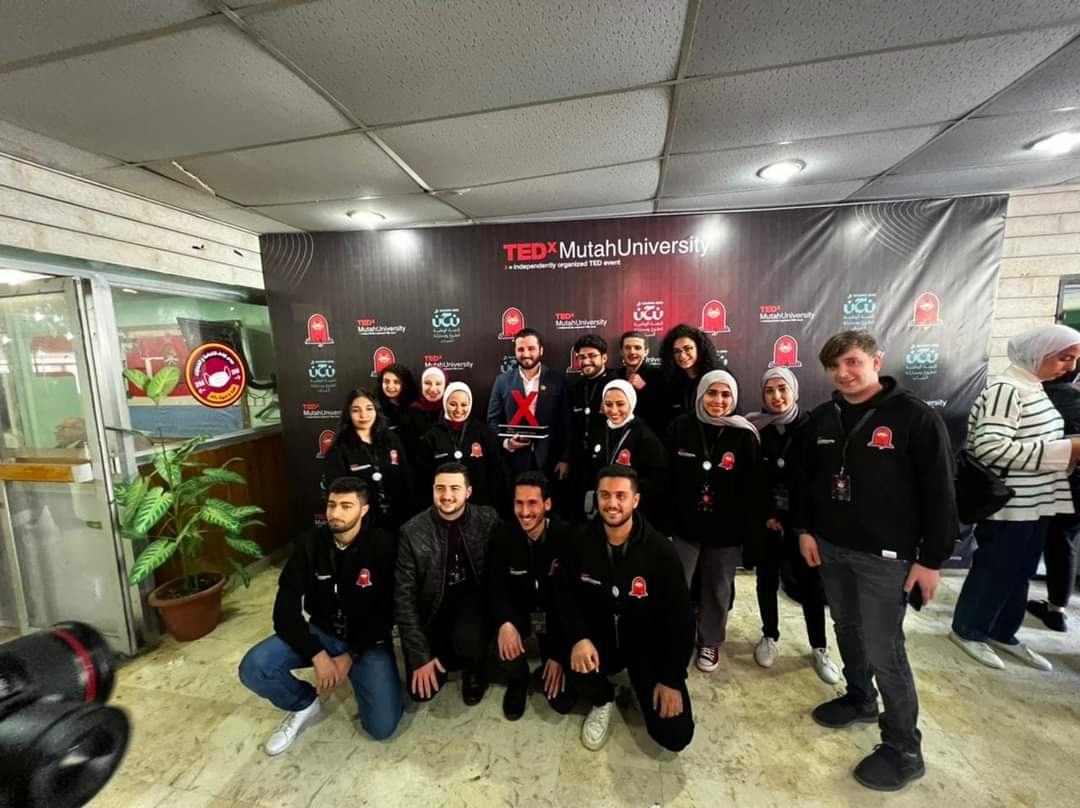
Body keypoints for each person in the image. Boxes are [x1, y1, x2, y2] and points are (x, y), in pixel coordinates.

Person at [796, 330, 956, 791]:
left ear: (875, 361)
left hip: (887, 557)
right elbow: (806, 481)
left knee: (886, 649)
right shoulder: (824, 417)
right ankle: (860, 697)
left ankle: (904, 747)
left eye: (852, 362)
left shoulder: (914, 416)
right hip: (831, 546)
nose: (843, 373)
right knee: (846, 627)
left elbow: (940, 492)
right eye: (834, 366)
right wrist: (805, 530)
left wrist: (931, 560)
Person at [238, 477, 403, 753]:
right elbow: (284, 612)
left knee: (381, 727)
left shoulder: (382, 544)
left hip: (366, 642)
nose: (336, 513)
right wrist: (317, 654)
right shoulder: (309, 544)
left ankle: (376, 679)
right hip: (321, 632)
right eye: (332, 505)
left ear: (364, 510)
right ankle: (303, 703)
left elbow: (387, 614)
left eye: (346, 506)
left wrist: (350, 657)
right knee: (255, 667)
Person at [951, 325, 1080, 668]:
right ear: (1039, 353)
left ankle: (1002, 631)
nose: (1069, 367)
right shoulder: (1006, 391)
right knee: (996, 568)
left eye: (1074, 360)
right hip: (1010, 503)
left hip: (1038, 501)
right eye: (1064, 358)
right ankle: (969, 629)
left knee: (1020, 571)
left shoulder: (1034, 388)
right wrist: (1067, 449)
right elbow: (990, 448)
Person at [557, 466, 694, 752]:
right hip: (599, 640)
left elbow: (681, 619)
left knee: (675, 734)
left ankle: (639, 683)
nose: (612, 503)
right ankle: (603, 699)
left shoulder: (661, 551)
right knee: (570, 677)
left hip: (646, 647)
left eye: (621, 495)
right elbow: (565, 595)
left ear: (636, 500)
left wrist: (670, 679)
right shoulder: (577, 540)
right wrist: (579, 637)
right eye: (605, 495)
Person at [746, 367, 839, 683]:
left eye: (782, 389)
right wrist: (766, 515)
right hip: (769, 522)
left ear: (794, 391)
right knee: (766, 580)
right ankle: (769, 634)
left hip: (803, 526)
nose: (776, 396)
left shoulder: (812, 428)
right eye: (769, 390)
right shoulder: (758, 429)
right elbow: (753, 480)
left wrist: (802, 524)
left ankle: (819, 647)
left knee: (811, 587)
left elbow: (818, 482)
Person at [668, 370, 763, 673]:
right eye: (711, 393)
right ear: (701, 394)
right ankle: (677, 637)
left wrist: (749, 534)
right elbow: (667, 476)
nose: (718, 400)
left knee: (717, 588)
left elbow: (752, 488)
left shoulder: (744, 434)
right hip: (685, 526)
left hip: (726, 529)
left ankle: (709, 640)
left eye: (725, 395)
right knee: (676, 586)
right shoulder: (680, 426)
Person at [395, 462, 501, 706]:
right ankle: (444, 655)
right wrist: (420, 657)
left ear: (468, 491)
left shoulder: (488, 519)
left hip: (473, 608)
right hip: (433, 609)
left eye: (455, 488)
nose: (447, 495)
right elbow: (403, 599)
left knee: (468, 639)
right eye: (440, 488)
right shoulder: (412, 532)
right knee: (421, 693)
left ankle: (473, 666)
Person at [488, 471, 575, 720]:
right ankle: (519, 678)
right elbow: (495, 587)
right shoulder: (503, 537)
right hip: (521, 613)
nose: (525, 512)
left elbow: (574, 602)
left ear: (547, 504)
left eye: (532, 503)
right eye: (519, 503)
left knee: (562, 702)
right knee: (501, 649)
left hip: (555, 621)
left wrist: (558, 654)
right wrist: (505, 622)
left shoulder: (567, 538)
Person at [1028, 365, 1080, 632]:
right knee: (1063, 543)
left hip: (1054, 482)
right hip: (1069, 484)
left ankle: (1006, 601)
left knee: (1029, 540)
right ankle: (1057, 608)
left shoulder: (1044, 397)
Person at [486, 328, 573, 483]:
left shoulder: (558, 379)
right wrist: (506, 443)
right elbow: (493, 421)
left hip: (551, 461)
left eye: (531, 348)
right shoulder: (502, 381)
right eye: (521, 349)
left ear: (541, 350)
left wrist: (565, 458)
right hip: (514, 462)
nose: (526, 354)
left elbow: (568, 422)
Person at [323, 388, 414, 533]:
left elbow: (407, 478)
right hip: (362, 524)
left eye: (369, 409)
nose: (363, 415)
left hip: (399, 518)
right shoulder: (339, 448)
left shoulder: (391, 439)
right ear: (348, 414)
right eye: (356, 410)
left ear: (376, 411)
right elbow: (337, 491)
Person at [582, 379, 667, 527]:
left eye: (620, 404)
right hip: (602, 508)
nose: (614, 410)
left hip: (634, 514)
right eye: (608, 404)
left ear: (631, 403)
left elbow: (657, 479)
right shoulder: (599, 430)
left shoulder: (644, 435)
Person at [419, 381, 505, 509]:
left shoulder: (484, 432)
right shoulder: (431, 437)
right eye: (453, 404)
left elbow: (496, 471)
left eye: (464, 404)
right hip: (445, 506)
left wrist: (489, 501)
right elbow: (424, 478)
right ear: (445, 403)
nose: (459, 410)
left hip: (479, 506)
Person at [567, 334, 614, 520]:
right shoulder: (575, 387)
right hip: (579, 463)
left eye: (592, 356)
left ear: (604, 358)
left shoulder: (616, 383)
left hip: (607, 461)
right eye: (581, 357)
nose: (586, 361)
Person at [657, 324, 722, 435]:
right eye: (677, 351)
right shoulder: (669, 380)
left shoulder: (717, 377)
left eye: (688, 349)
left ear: (699, 349)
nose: (682, 356)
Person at [613, 330, 662, 430]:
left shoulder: (658, 375)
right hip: (620, 432)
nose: (632, 352)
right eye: (627, 348)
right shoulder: (614, 376)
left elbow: (664, 411)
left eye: (637, 348)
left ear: (646, 351)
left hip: (648, 432)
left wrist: (644, 388)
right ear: (621, 352)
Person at [403, 366, 447, 449]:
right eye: (427, 383)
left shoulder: (453, 411)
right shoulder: (412, 413)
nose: (433, 389)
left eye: (438, 383)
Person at [377, 362, 419, 436]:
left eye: (396, 382)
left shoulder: (415, 406)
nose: (390, 386)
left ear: (405, 384)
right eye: (386, 381)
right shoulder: (376, 408)